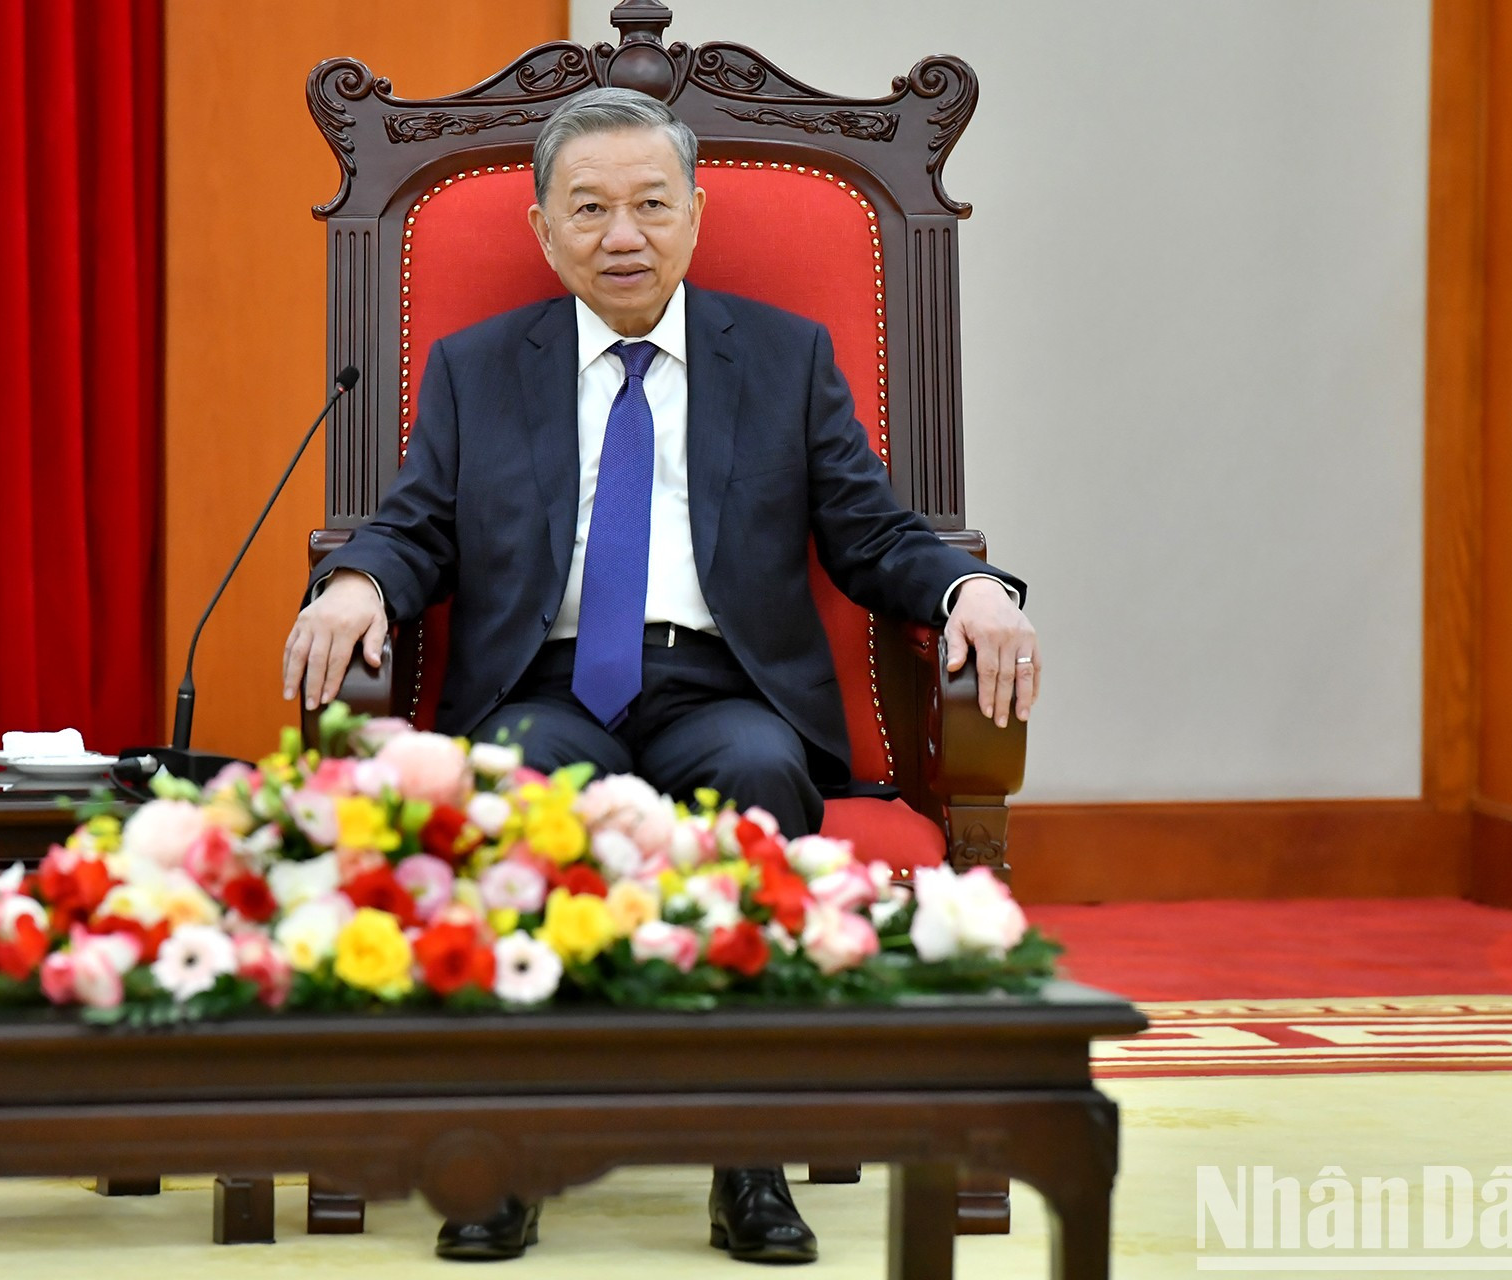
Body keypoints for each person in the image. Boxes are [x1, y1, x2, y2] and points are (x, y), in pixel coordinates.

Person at [282, 86, 1038, 1265]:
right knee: (518, 777)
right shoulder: (480, 367)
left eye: (649, 203)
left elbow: (872, 531)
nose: (621, 234)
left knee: (758, 772)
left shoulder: (782, 357)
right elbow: (415, 524)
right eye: (589, 208)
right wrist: (358, 583)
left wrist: (969, 591)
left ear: (695, 213)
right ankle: (508, 1154)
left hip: (724, 688)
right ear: (543, 229)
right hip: (545, 686)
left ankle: (750, 1164)